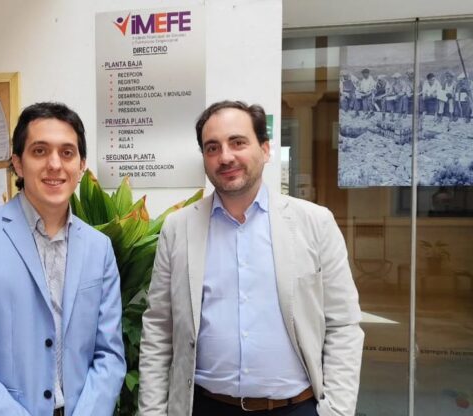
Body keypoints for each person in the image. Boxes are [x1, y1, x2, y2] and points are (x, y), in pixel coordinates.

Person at [138, 100, 364, 416]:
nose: (225, 157)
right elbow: (159, 329)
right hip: (205, 406)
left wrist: (336, 411)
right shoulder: (178, 229)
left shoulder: (315, 223)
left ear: (266, 149)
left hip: (295, 407)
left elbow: (343, 324)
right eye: (212, 148)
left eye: (238, 143)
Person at [0, 102, 126, 416]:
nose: (55, 164)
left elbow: (109, 355)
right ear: (18, 164)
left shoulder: (99, 247)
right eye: (40, 151)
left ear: (81, 166)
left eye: (67, 153)